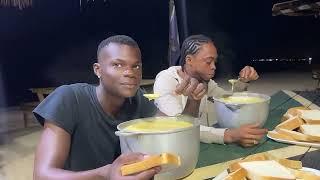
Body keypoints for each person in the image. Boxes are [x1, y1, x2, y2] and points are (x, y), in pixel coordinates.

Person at [33, 35, 204, 179]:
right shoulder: (70, 98)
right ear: (98, 70)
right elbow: (42, 174)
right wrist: (106, 173)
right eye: (117, 64)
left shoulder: (137, 101)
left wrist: (194, 100)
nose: (130, 72)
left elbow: (178, 130)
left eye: (135, 66)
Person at [154, 34, 268, 147]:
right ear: (189, 60)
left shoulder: (205, 81)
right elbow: (179, 127)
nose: (214, 67)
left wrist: (243, 81)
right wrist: (229, 135)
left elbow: (229, 101)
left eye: (215, 62)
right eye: (208, 62)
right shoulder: (166, 81)